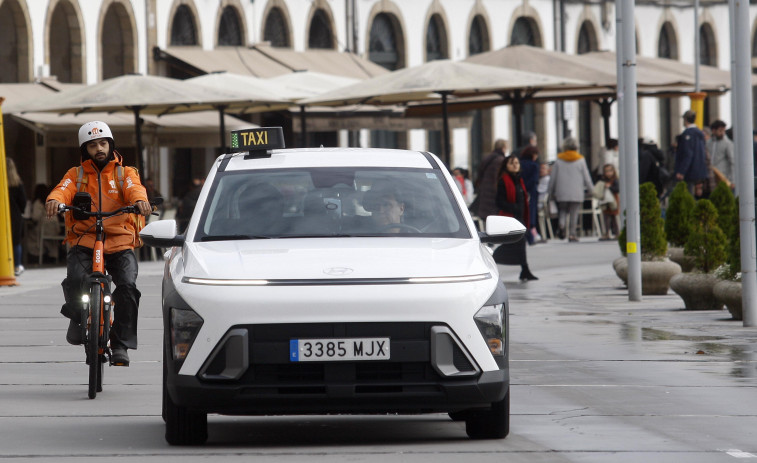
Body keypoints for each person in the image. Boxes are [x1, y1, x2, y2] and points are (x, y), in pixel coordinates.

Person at [45, 121, 151, 366]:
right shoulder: (77, 174)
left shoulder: (125, 173)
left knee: (127, 287)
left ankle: (121, 344)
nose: (99, 148)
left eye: (103, 143)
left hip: (119, 239)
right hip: (85, 238)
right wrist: (54, 199)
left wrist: (140, 201)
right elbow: (63, 189)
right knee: (75, 279)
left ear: (111, 145)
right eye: (93, 145)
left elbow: (135, 189)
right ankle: (78, 317)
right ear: (85, 150)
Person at [492, 153, 537, 282]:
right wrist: (514, 208)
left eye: (516, 163)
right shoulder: (503, 180)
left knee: (520, 245)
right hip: (511, 217)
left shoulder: (518, 180)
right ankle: (492, 259)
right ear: (506, 165)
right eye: (511, 163)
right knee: (514, 244)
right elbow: (499, 201)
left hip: (520, 217)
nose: (515, 165)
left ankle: (525, 270)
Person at [547, 137, 594, 242]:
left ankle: (562, 225)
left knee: (562, 210)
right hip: (576, 192)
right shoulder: (580, 160)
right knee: (574, 212)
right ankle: (572, 234)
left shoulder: (559, 160)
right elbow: (587, 177)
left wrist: (550, 191)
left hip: (561, 192)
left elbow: (553, 177)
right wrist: (592, 190)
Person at [25, 183, 63, 263]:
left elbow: (35, 217)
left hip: (43, 230)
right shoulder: (52, 201)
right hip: (55, 229)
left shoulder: (38, 203)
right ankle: (52, 257)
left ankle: (35, 258)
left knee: (29, 235)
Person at [674, 110, 708, 195]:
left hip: (690, 171)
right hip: (700, 170)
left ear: (685, 119)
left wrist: (681, 171)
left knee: (688, 196)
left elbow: (688, 154)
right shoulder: (699, 133)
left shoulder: (688, 134)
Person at [474, 139, 508, 220]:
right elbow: (498, 178)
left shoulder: (488, 158)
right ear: (504, 148)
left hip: (485, 193)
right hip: (493, 195)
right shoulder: (500, 160)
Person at [6, 158, 27, 276]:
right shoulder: (17, 183)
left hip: (4, 216)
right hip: (15, 216)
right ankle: (17, 265)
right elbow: (23, 201)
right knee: (16, 242)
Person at [519, 145, 540, 244]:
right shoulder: (534, 165)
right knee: (531, 214)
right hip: (531, 191)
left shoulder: (520, 164)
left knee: (523, 214)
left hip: (521, 191)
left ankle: (526, 236)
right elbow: (534, 179)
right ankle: (531, 236)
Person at [594, 164, 620, 241]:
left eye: (610, 171)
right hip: (605, 202)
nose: (608, 173)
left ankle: (617, 233)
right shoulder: (603, 181)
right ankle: (606, 233)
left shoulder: (615, 180)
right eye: (606, 171)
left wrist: (610, 187)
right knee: (606, 218)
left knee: (614, 218)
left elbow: (617, 189)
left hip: (613, 201)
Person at [706, 120, 735, 189]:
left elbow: (733, 162)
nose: (723, 133)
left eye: (723, 131)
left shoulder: (728, 144)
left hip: (723, 178)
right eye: (720, 130)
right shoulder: (708, 143)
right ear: (713, 131)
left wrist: (733, 180)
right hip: (710, 177)